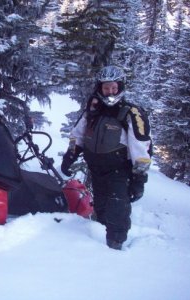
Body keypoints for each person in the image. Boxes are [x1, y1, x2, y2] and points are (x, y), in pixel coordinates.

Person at [61, 66, 152, 250]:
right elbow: (77, 135)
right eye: (106, 88)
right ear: (100, 88)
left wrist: (139, 179)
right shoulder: (93, 110)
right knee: (100, 206)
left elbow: (141, 147)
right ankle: (95, 244)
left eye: (113, 87)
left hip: (119, 171)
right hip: (96, 169)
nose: (110, 91)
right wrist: (70, 156)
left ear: (119, 87)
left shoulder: (131, 113)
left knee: (117, 208)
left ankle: (115, 247)